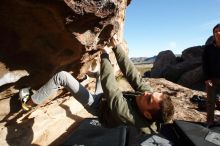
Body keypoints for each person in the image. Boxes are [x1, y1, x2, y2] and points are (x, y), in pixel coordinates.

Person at [19, 37, 174, 134]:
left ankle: (28, 103)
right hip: (104, 99)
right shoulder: (148, 97)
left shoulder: (126, 114)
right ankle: (84, 78)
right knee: (100, 74)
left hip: (97, 107)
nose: (146, 94)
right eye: (151, 93)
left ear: (147, 114)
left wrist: (105, 54)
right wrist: (116, 47)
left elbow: (111, 88)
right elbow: (132, 74)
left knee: (62, 77)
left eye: (149, 100)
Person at [202, 23, 220, 127]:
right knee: (210, 102)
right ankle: (210, 121)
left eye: (219, 30)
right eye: (215, 31)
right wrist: (207, 78)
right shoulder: (208, 48)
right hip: (212, 79)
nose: (218, 33)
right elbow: (205, 64)